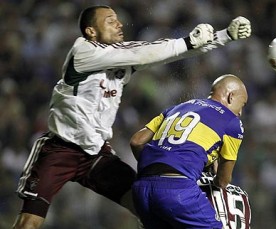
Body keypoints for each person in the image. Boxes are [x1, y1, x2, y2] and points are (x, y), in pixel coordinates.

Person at [12, 4, 251, 229]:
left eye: (118, 19)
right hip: (60, 150)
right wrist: (187, 41)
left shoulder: (122, 57)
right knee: (29, 222)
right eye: (110, 21)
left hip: (96, 154)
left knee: (149, 210)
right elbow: (148, 52)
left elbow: (163, 54)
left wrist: (224, 36)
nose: (119, 24)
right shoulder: (82, 51)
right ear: (91, 31)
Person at [130, 74, 248, 229]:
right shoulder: (232, 121)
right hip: (177, 189)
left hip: (142, 190)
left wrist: (158, 164)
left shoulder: (176, 108)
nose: (240, 112)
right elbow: (223, 181)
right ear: (231, 96)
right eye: (242, 104)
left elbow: (136, 141)